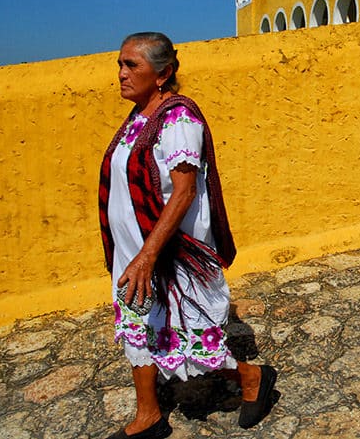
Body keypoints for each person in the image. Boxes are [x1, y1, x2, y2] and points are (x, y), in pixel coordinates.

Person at [99, 32, 276, 439]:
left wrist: (147, 255)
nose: (121, 74)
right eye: (120, 65)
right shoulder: (139, 117)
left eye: (132, 65)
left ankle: (252, 377)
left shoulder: (179, 119)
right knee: (139, 328)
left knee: (195, 339)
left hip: (170, 255)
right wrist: (132, 252)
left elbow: (184, 192)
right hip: (135, 253)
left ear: (163, 74)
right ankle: (149, 415)